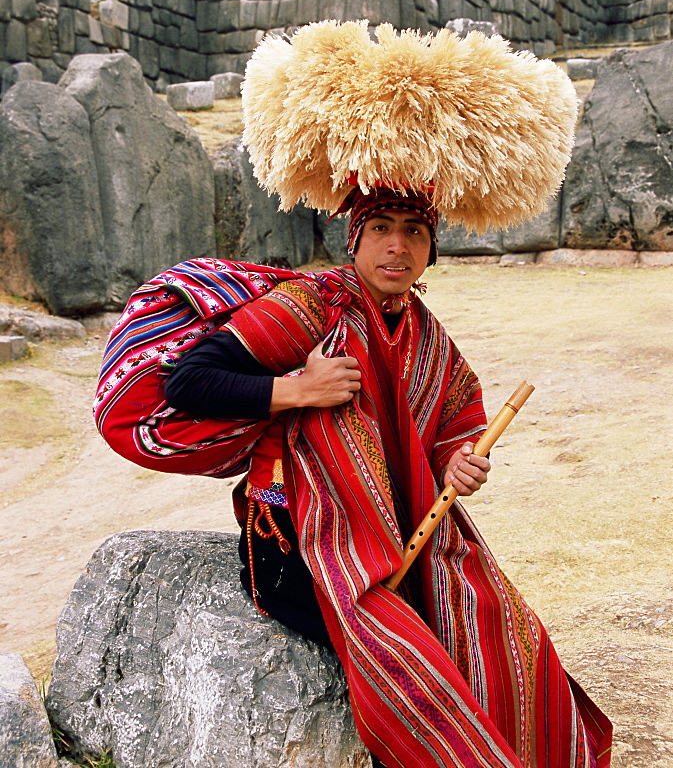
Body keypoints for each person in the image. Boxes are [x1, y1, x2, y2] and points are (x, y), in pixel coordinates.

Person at [164, 185, 612, 768]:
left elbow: (455, 414)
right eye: (381, 228)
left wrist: (456, 461)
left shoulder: (423, 331)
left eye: (415, 231)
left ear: (430, 251)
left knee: (504, 630)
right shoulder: (310, 306)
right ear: (354, 239)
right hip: (302, 537)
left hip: (398, 527)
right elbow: (189, 382)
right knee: (407, 662)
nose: (397, 246)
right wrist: (299, 389)